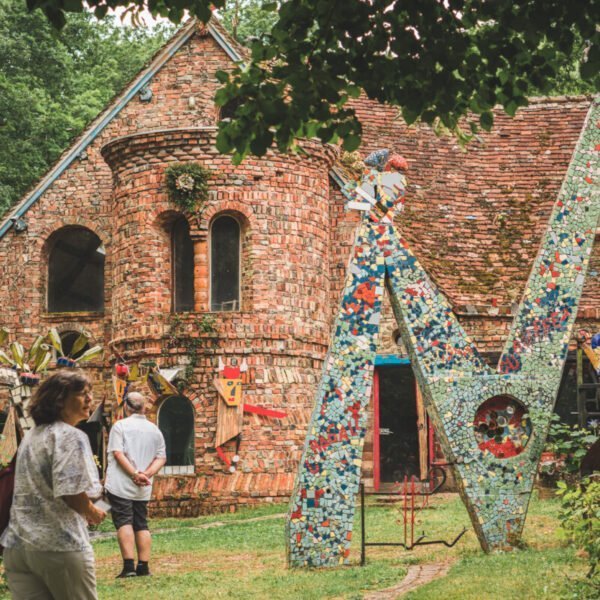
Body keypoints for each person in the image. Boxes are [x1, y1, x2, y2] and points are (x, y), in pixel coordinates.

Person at [0, 370, 106, 600]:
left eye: (90, 393)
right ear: (59, 400)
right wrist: (93, 511)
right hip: (59, 546)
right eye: (82, 394)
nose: (90, 399)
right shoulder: (69, 436)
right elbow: (71, 493)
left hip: (19, 547)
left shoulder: (31, 436)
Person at [104, 391, 166, 578]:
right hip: (143, 486)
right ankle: (144, 566)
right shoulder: (154, 429)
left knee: (124, 521)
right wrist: (146, 474)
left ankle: (129, 566)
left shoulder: (120, 426)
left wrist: (134, 474)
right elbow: (161, 457)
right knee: (141, 523)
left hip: (121, 484)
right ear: (144, 407)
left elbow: (117, 453)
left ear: (126, 407)